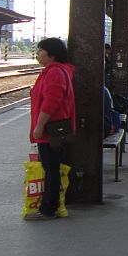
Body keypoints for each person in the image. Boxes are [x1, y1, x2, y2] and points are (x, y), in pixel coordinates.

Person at [26, 38, 76, 220]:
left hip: (50, 130)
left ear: (52, 55)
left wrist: (39, 127)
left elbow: (51, 102)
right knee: (52, 167)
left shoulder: (54, 72)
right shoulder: (55, 71)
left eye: (41, 51)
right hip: (52, 129)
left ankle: (49, 208)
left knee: (51, 169)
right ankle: (51, 205)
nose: (38, 54)